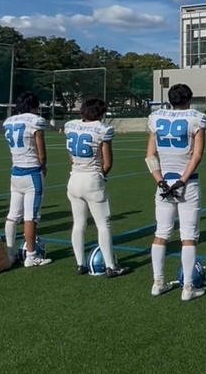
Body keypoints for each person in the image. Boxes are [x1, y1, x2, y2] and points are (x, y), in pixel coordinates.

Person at [147, 84, 206, 300]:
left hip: (163, 183)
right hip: (187, 183)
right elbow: (197, 154)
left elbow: (150, 156)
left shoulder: (156, 118)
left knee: (161, 233)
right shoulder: (196, 118)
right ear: (189, 99)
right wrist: (182, 180)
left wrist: (160, 181)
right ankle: (188, 288)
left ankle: (158, 282)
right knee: (188, 236)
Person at [67, 97, 131, 277]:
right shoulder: (103, 129)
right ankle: (111, 266)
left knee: (78, 224)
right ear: (101, 112)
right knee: (103, 225)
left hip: (74, 178)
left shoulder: (71, 125)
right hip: (92, 179)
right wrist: (101, 175)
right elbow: (108, 163)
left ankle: (80, 264)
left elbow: (71, 156)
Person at [3, 92, 53, 268]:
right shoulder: (34, 121)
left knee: (12, 215)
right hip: (32, 172)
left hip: (15, 172)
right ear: (34, 106)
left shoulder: (9, 121)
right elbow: (41, 151)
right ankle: (31, 256)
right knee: (31, 217)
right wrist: (43, 166)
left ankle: (9, 254)